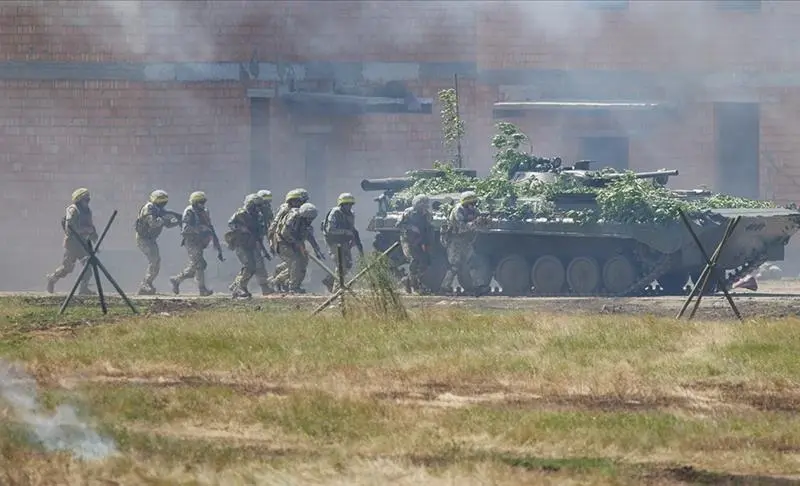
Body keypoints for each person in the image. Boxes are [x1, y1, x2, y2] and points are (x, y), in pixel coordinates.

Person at [169, 191, 224, 296]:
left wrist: (217, 246)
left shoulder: (205, 211)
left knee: (194, 266)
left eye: (203, 202)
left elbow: (210, 226)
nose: (202, 204)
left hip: (200, 242)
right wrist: (200, 229)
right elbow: (185, 229)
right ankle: (202, 289)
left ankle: (177, 280)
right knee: (200, 264)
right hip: (191, 241)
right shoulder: (189, 211)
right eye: (200, 202)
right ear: (194, 202)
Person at [46, 188, 98, 295]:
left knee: (88, 266)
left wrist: (93, 235)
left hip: (82, 243)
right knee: (67, 268)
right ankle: (52, 279)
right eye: (85, 199)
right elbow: (70, 229)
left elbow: (90, 226)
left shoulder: (87, 210)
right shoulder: (73, 210)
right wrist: (85, 230)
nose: (87, 202)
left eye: (88, 200)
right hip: (72, 244)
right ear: (79, 200)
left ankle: (83, 289)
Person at [134, 189, 181, 295]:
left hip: (150, 239)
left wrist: (177, 221)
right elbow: (153, 223)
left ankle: (146, 284)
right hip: (143, 239)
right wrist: (164, 219)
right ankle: (145, 284)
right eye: (160, 201)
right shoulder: (149, 208)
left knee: (156, 262)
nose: (162, 203)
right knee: (154, 261)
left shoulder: (158, 210)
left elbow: (168, 225)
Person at [225, 194, 271, 298]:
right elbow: (231, 224)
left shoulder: (257, 216)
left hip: (252, 242)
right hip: (241, 243)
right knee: (249, 266)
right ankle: (240, 287)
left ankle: (238, 286)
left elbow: (260, 231)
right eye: (256, 205)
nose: (258, 208)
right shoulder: (241, 214)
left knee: (253, 266)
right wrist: (241, 228)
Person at [270, 202, 319, 293]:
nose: (311, 220)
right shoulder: (292, 218)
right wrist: (298, 243)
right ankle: (293, 286)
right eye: (309, 218)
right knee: (296, 261)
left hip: (295, 244)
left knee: (303, 261)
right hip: (283, 243)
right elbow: (285, 233)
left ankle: (278, 280)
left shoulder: (306, 222)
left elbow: (309, 235)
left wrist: (316, 249)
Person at [440, 191, 482, 294]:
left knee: (472, 262)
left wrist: (482, 221)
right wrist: (475, 223)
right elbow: (461, 227)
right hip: (455, 240)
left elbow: (478, 218)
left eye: (474, 203)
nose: (474, 205)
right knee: (455, 265)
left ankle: (478, 285)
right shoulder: (458, 210)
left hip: (466, 240)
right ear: (466, 203)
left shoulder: (473, 210)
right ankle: (445, 287)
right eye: (472, 203)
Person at [321, 192, 363, 292]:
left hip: (344, 242)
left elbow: (352, 229)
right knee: (341, 265)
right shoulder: (335, 213)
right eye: (346, 204)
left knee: (348, 264)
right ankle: (337, 289)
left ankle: (329, 280)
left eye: (350, 204)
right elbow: (330, 230)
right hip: (333, 242)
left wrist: (356, 242)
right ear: (341, 204)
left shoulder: (351, 214)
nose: (349, 206)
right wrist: (345, 232)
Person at [396, 194, 434, 294]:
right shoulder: (408, 212)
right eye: (422, 204)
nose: (423, 207)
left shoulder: (427, 214)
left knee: (425, 262)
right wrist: (411, 227)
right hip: (408, 240)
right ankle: (414, 285)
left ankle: (409, 281)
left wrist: (428, 242)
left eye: (425, 204)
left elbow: (429, 228)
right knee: (414, 260)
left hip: (420, 241)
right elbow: (399, 224)